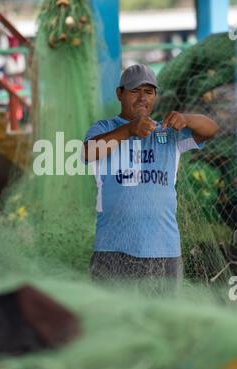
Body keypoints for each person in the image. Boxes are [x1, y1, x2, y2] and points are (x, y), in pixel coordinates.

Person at [83, 63, 219, 284]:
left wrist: (187, 119)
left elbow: (211, 129)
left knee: (164, 318)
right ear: (120, 93)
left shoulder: (167, 132)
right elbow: (88, 152)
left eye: (148, 92)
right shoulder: (104, 128)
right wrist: (129, 129)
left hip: (164, 250)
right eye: (135, 90)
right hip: (112, 249)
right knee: (112, 317)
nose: (142, 98)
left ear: (155, 95)